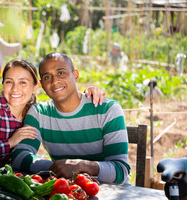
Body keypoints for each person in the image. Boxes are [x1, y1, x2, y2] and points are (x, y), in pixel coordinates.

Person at [0, 58, 106, 168]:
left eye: (23, 82)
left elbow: (65, 100)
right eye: (9, 82)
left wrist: (89, 92)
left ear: (36, 86)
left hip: (11, 184)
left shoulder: (35, 114)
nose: (15, 89)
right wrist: (9, 143)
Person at [11, 53, 130, 184]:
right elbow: (19, 156)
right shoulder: (39, 113)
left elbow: (121, 170)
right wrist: (53, 167)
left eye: (61, 73)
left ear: (75, 75)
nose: (54, 81)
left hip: (111, 194)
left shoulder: (107, 109)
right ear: (42, 85)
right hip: (68, 192)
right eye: (47, 77)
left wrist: (82, 166)